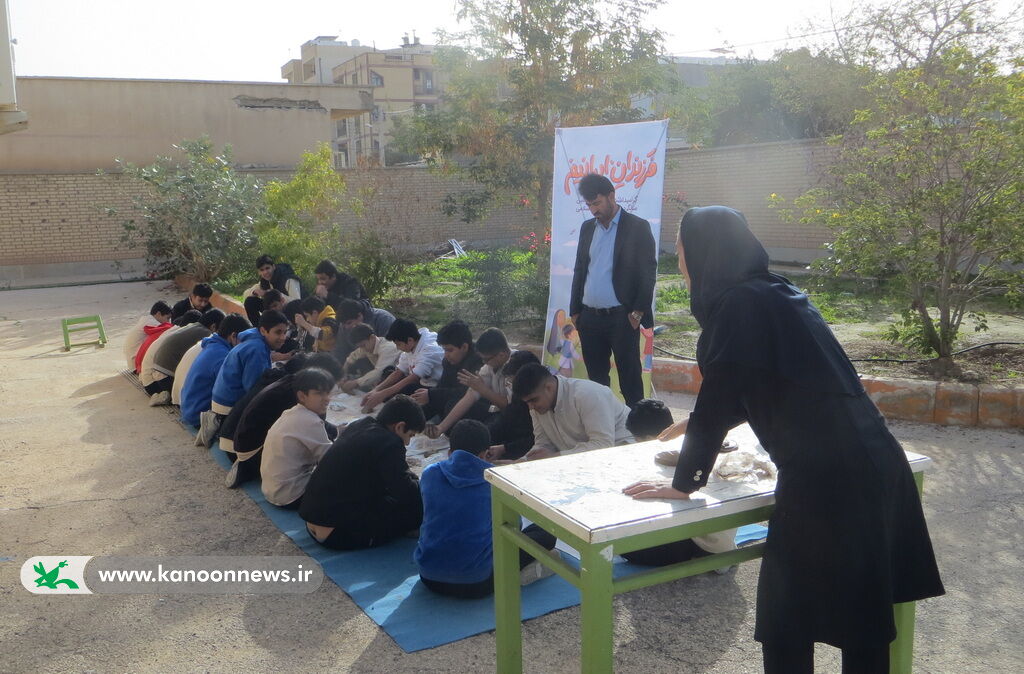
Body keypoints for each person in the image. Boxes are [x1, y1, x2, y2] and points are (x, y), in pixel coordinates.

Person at [622, 206, 944, 673]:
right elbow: (758, 383)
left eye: (681, 246)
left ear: (705, 251)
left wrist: (685, 482)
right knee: (863, 616)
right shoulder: (776, 292)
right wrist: (697, 424)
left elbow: (720, 397)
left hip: (828, 478)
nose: (679, 259)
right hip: (875, 461)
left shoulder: (738, 305)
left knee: (787, 619)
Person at [414, 419, 558, 598]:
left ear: (450, 452)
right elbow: (514, 529)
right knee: (545, 533)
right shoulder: (496, 483)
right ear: (485, 453)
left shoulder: (430, 474)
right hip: (477, 583)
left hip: (428, 576)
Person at [569, 173, 657, 407]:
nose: (593, 210)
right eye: (589, 205)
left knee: (630, 380)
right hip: (589, 318)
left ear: (611, 196)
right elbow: (580, 269)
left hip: (622, 318)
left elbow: (648, 273)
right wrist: (575, 311)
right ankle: (604, 424)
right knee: (597, 383)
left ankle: (637, 424)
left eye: (597, 203)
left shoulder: (637, 227)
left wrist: (637, 312)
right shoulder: (587, 228)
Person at [300, 395, 425, 550]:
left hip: (313, 521)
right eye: (410, 435)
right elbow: (405, 491)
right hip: (336, 534)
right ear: (400, 427)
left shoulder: (360, 424)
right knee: (416, 509)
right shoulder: (390, 443)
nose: (407, 442)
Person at [221, 352, 343, 489]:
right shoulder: (295, 395)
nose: (328, 397)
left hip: (234, 438)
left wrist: (334, 429)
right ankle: (247, 469)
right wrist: (338, 434)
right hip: (248, 453)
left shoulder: (291, 382)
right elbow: (318, 434)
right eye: (324, 390)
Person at [423, 328, 531, 461]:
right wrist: (441, 427)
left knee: (485, 434)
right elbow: (470, 396)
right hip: (498, 411)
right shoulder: (490, 365)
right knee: (454, 408)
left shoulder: (517, 366)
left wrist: (483, 389)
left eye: (486, 359)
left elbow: (512, 408)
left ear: (502, 355)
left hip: (519, 418)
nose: (484, 363)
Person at [202, 310, 290, 446]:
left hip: (223, 402)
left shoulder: (255, 342)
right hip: (229, 408)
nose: (283, 337)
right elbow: (255, 388)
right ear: (263, 331)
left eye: (285, 332)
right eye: (278, 332)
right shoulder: (257, 349)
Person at [512, 362, 634, 460]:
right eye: (527, 402)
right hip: (579, 461)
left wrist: (554, 457)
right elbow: (544, 445)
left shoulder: (587, 394)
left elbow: (602, 445)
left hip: (625, 454)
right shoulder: (536, 406)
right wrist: (520, 463)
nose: (530, 407)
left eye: (533, 400)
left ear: (549, 387)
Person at [260, 367, 337, 509]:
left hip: (271, 489)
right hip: (291, 495)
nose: (327, 399)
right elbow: (331, 459)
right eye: (319, 393)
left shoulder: (291, 413)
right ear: (302, 396)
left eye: (328, 392)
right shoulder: (310, 421)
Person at [179, 313, 251, 428]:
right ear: (233, 336)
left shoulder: (213, 346)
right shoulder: (222, 356)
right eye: (244, 340)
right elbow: (231, 390)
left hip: (189, 410)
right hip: (199, 417)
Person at [360, 319, 444, 412]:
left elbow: (414, 377)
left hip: (435, 387)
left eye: (398, 344)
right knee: (389, 372)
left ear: (410, 340)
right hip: (420, 382)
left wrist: (383, 394)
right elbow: (399, 372)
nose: (397, 348)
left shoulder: (429, 350)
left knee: (404, 399)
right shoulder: (411, 344)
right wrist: (376, 390)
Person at [147, 309, 225, 406]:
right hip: (166, 377)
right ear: (213, 326)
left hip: (158, 372)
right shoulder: (207, 335)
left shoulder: (193, 326)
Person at [413, 320, 484, 422]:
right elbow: (443, 385)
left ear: (464, 347)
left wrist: (432, 394)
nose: (446, 355)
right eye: (444, 350)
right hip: (451, 400)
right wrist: (428, 395)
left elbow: (466, 393)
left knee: (450, 404)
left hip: (480, 405)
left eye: (450, 350)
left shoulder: (479, 361)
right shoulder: (448, 361)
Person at [242, 255, 304, 326]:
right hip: (275, 310)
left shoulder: (289, 279)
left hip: (292, 312)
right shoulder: (264, 281)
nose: (265, 272)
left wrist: (274, 294)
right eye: (262, 270)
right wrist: (254, 292)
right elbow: (245, 295)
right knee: (250, 301)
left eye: (267, 268)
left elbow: (297, 302)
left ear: (273, 267)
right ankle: (260, 329)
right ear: (259, 272)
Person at [338, 323, 400, 394]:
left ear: (372, 337)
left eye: (363, 345)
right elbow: (352, 357)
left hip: (400, 379)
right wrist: (343, 375)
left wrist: (355, 383)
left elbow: (379, 372)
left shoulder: (387, 348)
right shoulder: (366, 347)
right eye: (360, 347)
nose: (362, 349)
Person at [333, 298, 396, 362]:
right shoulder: (344, 326)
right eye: (344, 325)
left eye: (349, 323)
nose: (346, 327)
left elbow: (391, 348)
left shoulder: (383, 319)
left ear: (359, 316)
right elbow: (340, 351)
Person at [123, 301, 172, 370]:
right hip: (137, 364)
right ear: (158, 314)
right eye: (167, 318)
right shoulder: (153, 324)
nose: (168, 322)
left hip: (132, 362)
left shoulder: (146, 320)